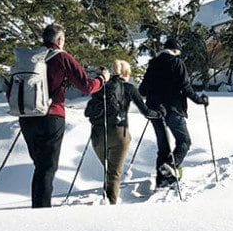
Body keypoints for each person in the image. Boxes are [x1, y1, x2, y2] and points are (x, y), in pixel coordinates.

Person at [12, 23, 103, 208]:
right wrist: (102, 80)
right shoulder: (61, 57)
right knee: (47, 168)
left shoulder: (30, 59)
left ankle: (38, 206)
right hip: (52, 116)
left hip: (26, 116)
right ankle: (42, 211)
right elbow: (86, 86)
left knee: (40, 166)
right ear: (60, 40)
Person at [86, 60, 160, 204]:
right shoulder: (129, 88)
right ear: (126, 73)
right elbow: (146, 112)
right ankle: (112, 207)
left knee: (109, 171)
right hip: (119, 133)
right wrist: (159, 113)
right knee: (114, 173)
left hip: (97, 136)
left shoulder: (101, 87)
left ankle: (105, 200)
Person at [139, 37, 209, 187]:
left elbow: (142, 90)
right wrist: (200, 100)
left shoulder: (153, 64)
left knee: (163, 147)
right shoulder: (177, 62)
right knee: (184, 141)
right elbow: (186, 87)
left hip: (154, 110)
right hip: (173, 108)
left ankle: (162, 180)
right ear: (176, 50)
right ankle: (171, 166)